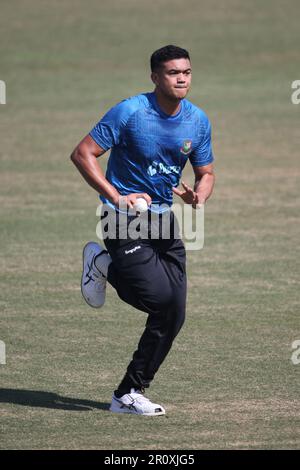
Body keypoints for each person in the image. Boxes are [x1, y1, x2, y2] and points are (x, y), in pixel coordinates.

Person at [70, 45, 215, 416]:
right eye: (172, 73)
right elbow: (83, 153)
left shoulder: (197, 121)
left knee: (174, 313)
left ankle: (128, 393)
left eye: (186, 72)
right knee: (159, 300)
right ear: (155, 77)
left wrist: (198, 195)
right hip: (124, 219)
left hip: (165, 221)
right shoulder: (131, 112)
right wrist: (115, 196)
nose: (181, 78)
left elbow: (206, 172)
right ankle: (105, 265)